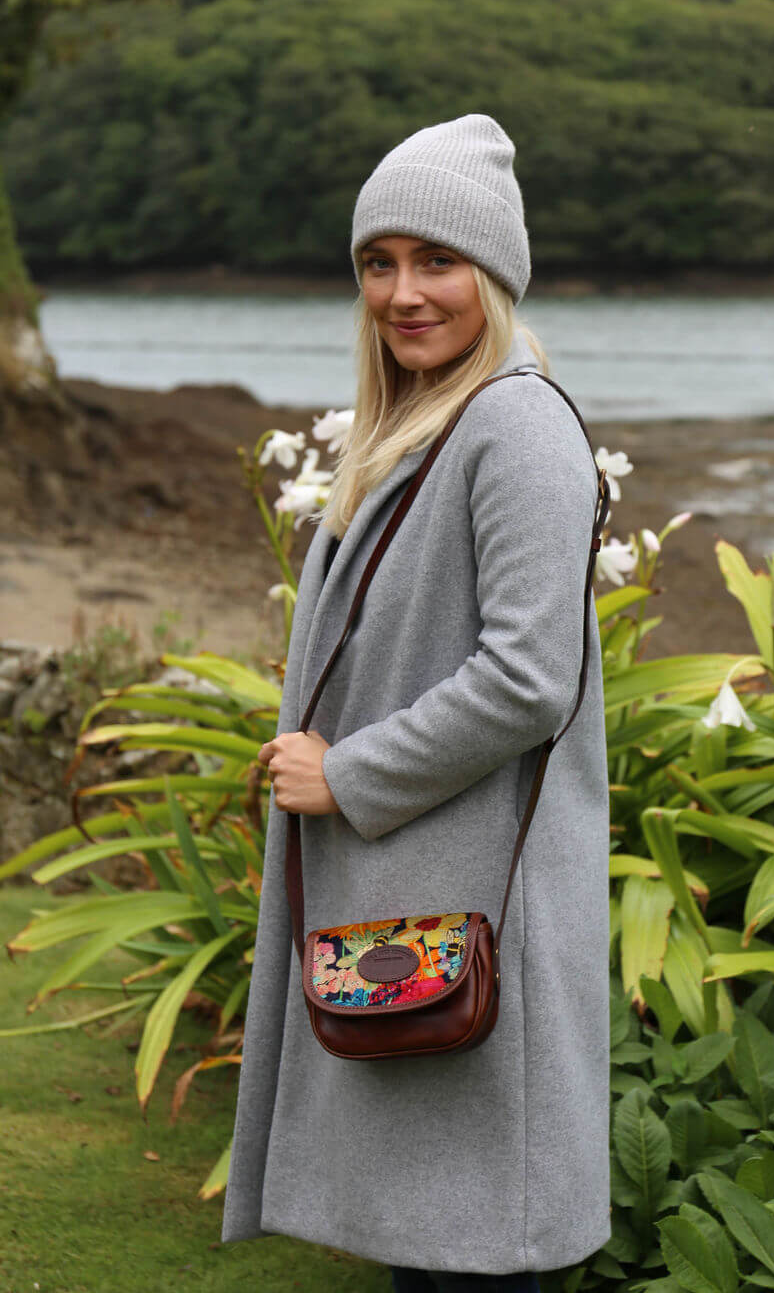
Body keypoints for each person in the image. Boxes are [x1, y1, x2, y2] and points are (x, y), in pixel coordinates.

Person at [221, 114, 610, 1291]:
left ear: (492, 273)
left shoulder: (516, 424)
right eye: (377, 263)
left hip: (470, 900)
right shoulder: (420, 428)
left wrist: (345, 775)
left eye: (435, 261)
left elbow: (528, 678)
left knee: (476, 1253)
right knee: (436, 1251)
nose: (403, 293)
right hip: (416, 897)